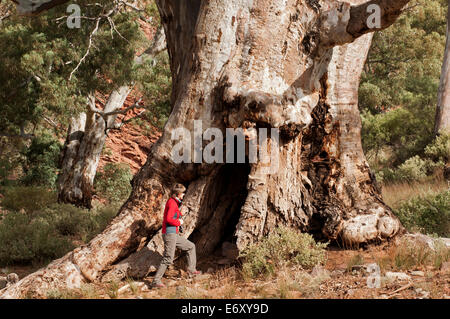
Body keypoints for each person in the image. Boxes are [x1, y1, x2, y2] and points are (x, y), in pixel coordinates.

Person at [152, 183, 201, 288]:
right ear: (178, 193)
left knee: (191, 246)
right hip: (170, 234)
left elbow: (173, 215)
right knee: (168, 258)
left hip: (173, 234)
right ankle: (156, 281)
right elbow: (168, 219)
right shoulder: (172, 203)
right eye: (183, 193)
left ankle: (191, 270)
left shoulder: (173, 202)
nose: (184, 195)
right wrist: (179, 222)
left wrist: (180, 214)